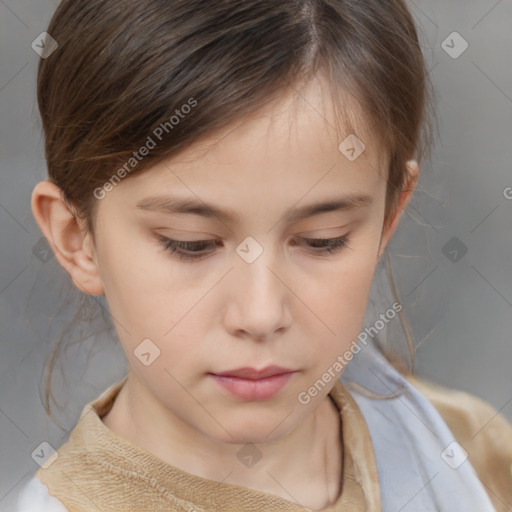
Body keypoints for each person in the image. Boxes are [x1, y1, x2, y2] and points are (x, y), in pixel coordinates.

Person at [16, 0, 512, 511]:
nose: (261, 314)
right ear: (76, 237)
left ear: (389, 216)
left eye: (324, 238)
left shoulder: (473, 454)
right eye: (191, 244)